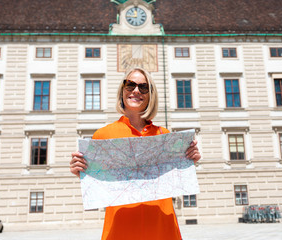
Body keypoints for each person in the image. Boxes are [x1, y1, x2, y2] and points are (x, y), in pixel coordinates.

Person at [70, 67, 201, 240]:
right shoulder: (102, 136)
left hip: (162, 227)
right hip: (120, 230)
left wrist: (191, 160)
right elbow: (97, 183)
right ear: (122, 91)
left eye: (143, 87)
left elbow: (177, 177)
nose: (136, 90)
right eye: (130, 85)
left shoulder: (165, 135)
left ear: (150, 95)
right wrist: (79, 170)